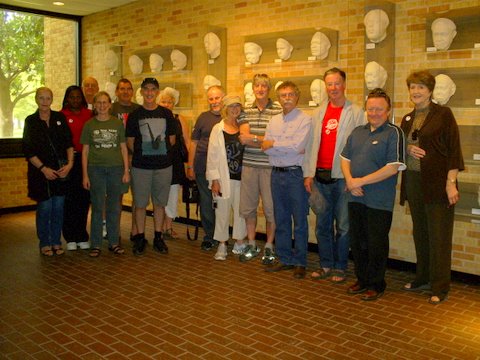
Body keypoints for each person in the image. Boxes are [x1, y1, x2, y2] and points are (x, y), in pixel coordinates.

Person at [400, 70, 464, 305]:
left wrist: (451, 183)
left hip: (439, 183)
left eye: (420, 87)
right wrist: (406, 149)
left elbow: (454, 150)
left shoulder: (443, 114)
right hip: (415, 182)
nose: (415, 91)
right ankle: (422, 277)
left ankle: (440, 286)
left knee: (439, 236)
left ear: (430, 90)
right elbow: (401, 147)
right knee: (421, 233)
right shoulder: (407, 118)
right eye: (412, 87)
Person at [341, 88, 406, 301]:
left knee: (376, 242)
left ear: (388, 111)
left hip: (379, 201)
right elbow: (345, 158)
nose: (374, 113)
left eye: (379, 109)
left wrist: (360, 181)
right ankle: (362, 279)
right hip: (355, 196)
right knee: (358, 241)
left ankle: (377, 284)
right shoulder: (357, 132)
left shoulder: (394, 133)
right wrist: (350, 181)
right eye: (371, 109)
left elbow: (393, 167)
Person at [303, 67, 365, 283]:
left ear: (344, 84)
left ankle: (340, 267)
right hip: (320, 178)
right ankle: (326, 264)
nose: (333, 88)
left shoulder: (356, 112)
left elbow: (360, 147)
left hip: (342, 179)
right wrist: (308, 174)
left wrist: (352, 177)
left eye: (337, 83)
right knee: (322, 224)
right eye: (329, 84)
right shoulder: (319, 112)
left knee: (344, 226)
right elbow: (312, 145)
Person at [262, 81, 312, 279]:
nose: (287, 98)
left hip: (295, 175)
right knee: (280, 219)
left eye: (291, 94)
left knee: (299, 220)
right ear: (279, 98)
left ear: (297, 97)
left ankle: (300, 262)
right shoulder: (273, 120)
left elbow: (298, 146)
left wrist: (274, 144)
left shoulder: (305, 120)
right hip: (276, 173)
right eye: (283, 95)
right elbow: (266, 147)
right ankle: (284, 259)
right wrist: (283, 144)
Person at [126, 77, 176, 256]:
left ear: (157, 91)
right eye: (146, 89)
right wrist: (143, 154)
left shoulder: (166, 114)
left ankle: (158, 237)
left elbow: (171, 139)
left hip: (163, 166)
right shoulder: (135, 115)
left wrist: (159, 155)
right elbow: (130, 142)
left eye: (153, 89)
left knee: (160, 204)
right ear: (141, 91)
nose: (149, 92)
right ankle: (139, 237)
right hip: (141, 167)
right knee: (140, 204)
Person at [22, 87, 74, 256]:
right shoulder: (31, 121)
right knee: (45, 207)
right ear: (36, 100)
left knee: (58, 208)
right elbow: (28, 150)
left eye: (48, 98)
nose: (45, 101)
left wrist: (70, 165)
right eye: (41, 98)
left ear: (52, 100)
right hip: (40, 173)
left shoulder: (59, 118)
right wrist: (43, 169)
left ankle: (56, 241)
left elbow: (69, 143)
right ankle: (45, 242)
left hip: (60, 171)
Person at [238, 74, 283, 264]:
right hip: (249, 165)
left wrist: (254, 139)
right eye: (257, 85)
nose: (260, 89)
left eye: (264, 86)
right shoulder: (245, 111)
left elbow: (276, 139)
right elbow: (243, 137)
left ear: (269, 88)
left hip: (269, 167)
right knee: (248, 208)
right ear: (253, 88)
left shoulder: (278, 110)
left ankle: (269, 246)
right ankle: (251, 243)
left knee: (271, 208)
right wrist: (263, 140)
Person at [81, 91, 130, 258]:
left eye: (105, 102)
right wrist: (85, 175)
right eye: (99, 103)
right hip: (96, 170)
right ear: (95, 105)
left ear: (110, 105)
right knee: (97, 207)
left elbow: (123, 148)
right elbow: (85, 152)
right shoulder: (89, 125)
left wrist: (125, 171)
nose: (102, 106)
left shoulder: (117, 124)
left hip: (116, 169)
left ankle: (114, 242)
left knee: (114, 208)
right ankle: (95, 244)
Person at [206, 95, 247, 260]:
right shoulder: (218, 128)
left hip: (242, 178)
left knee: (240, 211)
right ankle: (222, 244)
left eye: (238, 106)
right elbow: (212, 155)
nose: (235, 109)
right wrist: (214, 180)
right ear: (225, 108)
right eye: (231, 106)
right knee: (222, 212)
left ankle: (239, 241)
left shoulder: (244, 128)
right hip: (223, 178)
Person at [187, 85, 224, 251]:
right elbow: (193, 143)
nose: (214, 101)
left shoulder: (230, 116)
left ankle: (221, 236)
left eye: (217, 98)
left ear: (223, 97)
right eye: (211, 98)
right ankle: (209, 236)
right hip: (202, 166)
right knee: (206, 202)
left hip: (223, 169)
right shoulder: (202, 118)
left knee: (223, 203)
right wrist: (190, 166)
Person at [61, 85, 92, 251]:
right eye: (72, 97)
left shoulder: (89, 114)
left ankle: (81, 235)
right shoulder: (60, 115)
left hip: (86, 161)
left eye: (78, 97)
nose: (75, 100)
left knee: (83, 199)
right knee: (69, 200)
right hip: (68, 161)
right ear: (67, 98)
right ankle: (70, 236)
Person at [157, 87, 190, 240]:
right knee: (160, 195)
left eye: (169, 102)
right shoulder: (154, 119)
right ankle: (159, 227)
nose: (166, 104)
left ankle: (168, 227)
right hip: (158, 162)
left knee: (173, 194)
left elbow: (187, 141)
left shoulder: (179, 118)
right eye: (163, 101)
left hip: (175, 162)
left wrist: (190, 163)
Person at [111, 78, 141, 241]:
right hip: (116, 160)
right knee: (116, 198)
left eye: (129, 89)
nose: (125, 92)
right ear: (117, 91)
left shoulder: (138, 109)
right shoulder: (110, 109)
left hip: (136, 160)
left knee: (138, 197)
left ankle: (136, 231)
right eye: (122, 89)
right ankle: (114, 232)